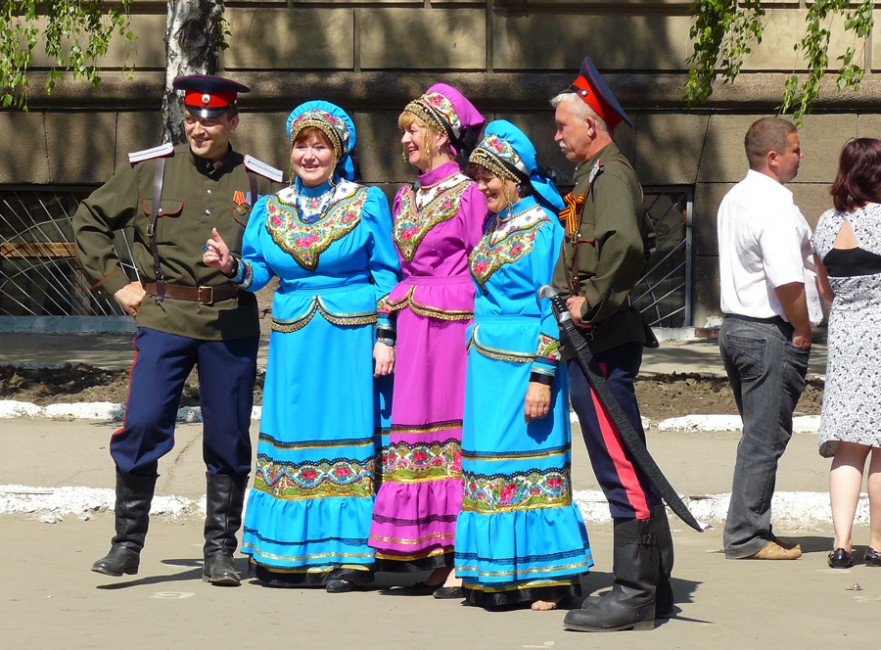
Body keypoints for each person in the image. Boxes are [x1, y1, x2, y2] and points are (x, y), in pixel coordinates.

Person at [74, 75, 281, 586]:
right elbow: (89, 220)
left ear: (232, 122)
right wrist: (117, 283)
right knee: (142, 424)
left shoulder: (258, 181)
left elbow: (282, 249)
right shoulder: (153, 170)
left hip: (229, 323)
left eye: (211, 119)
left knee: (229, 438)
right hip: (164, 319)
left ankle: (218, 551)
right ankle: (126, 545)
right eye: (192, 118)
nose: (199, 127)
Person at [203, 102, 400, 592]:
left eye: (320, 147)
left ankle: (350, 556)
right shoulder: (271, 207)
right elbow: (259, 272)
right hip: (295, 340)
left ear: (338, 153)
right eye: (301, 146)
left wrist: (385, 336)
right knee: (292, 437)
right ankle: (284, 552)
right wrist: (231, 267)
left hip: (350, 340)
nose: (309, 156)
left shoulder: (366, 201)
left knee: (347, 435)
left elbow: (389, 275)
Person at [549, 57, 674, 633]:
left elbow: (624, 245)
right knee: (630, 457)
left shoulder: (611, 175)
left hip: (600, 338)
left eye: (562, 126)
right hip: (597, 338)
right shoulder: (594, 176)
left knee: (619, 463)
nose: (557, 135)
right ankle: (658, 581)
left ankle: (634, 592)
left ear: (591, 125)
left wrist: (589, 301)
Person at [454, 120, 593, 611]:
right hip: (487, 370)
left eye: (489, 176)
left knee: (530, 471)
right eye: (477, 177)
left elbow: (550, 311)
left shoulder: (544, 228)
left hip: (523, 369)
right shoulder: (495, 226)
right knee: (488, 469)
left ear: (514, 176)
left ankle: (546, 578)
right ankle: (494, 572)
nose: (482, 186)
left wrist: (542, 376)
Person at [368, 83, 487, 597]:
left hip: (455, 327)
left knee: (455, 434)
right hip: (415, 327)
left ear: (441, 134)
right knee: (417, 437)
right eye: (404, 133)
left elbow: (487, 264)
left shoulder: (470, 192)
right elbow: (397, 274)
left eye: (412, 130)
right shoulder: (406, 195)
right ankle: (437, 552)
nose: (405, 141)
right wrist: (387, 331)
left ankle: (465, 555)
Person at [716, 116, 822, 563]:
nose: (802, 156)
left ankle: (749, 525)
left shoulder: (735, 198)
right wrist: (803, 327)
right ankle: (747, 534)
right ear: (773, 157)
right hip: (768, 332)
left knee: (758, 434)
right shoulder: (774, 206)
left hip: (738, 329)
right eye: (796, 149)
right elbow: (788, 283)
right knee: (765, 437)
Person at [811, 138, 881, 569]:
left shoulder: (824, 223)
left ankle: (841, 544)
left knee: (849, 446)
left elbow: (825, 290)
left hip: (846, 336)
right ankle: (878, 543)